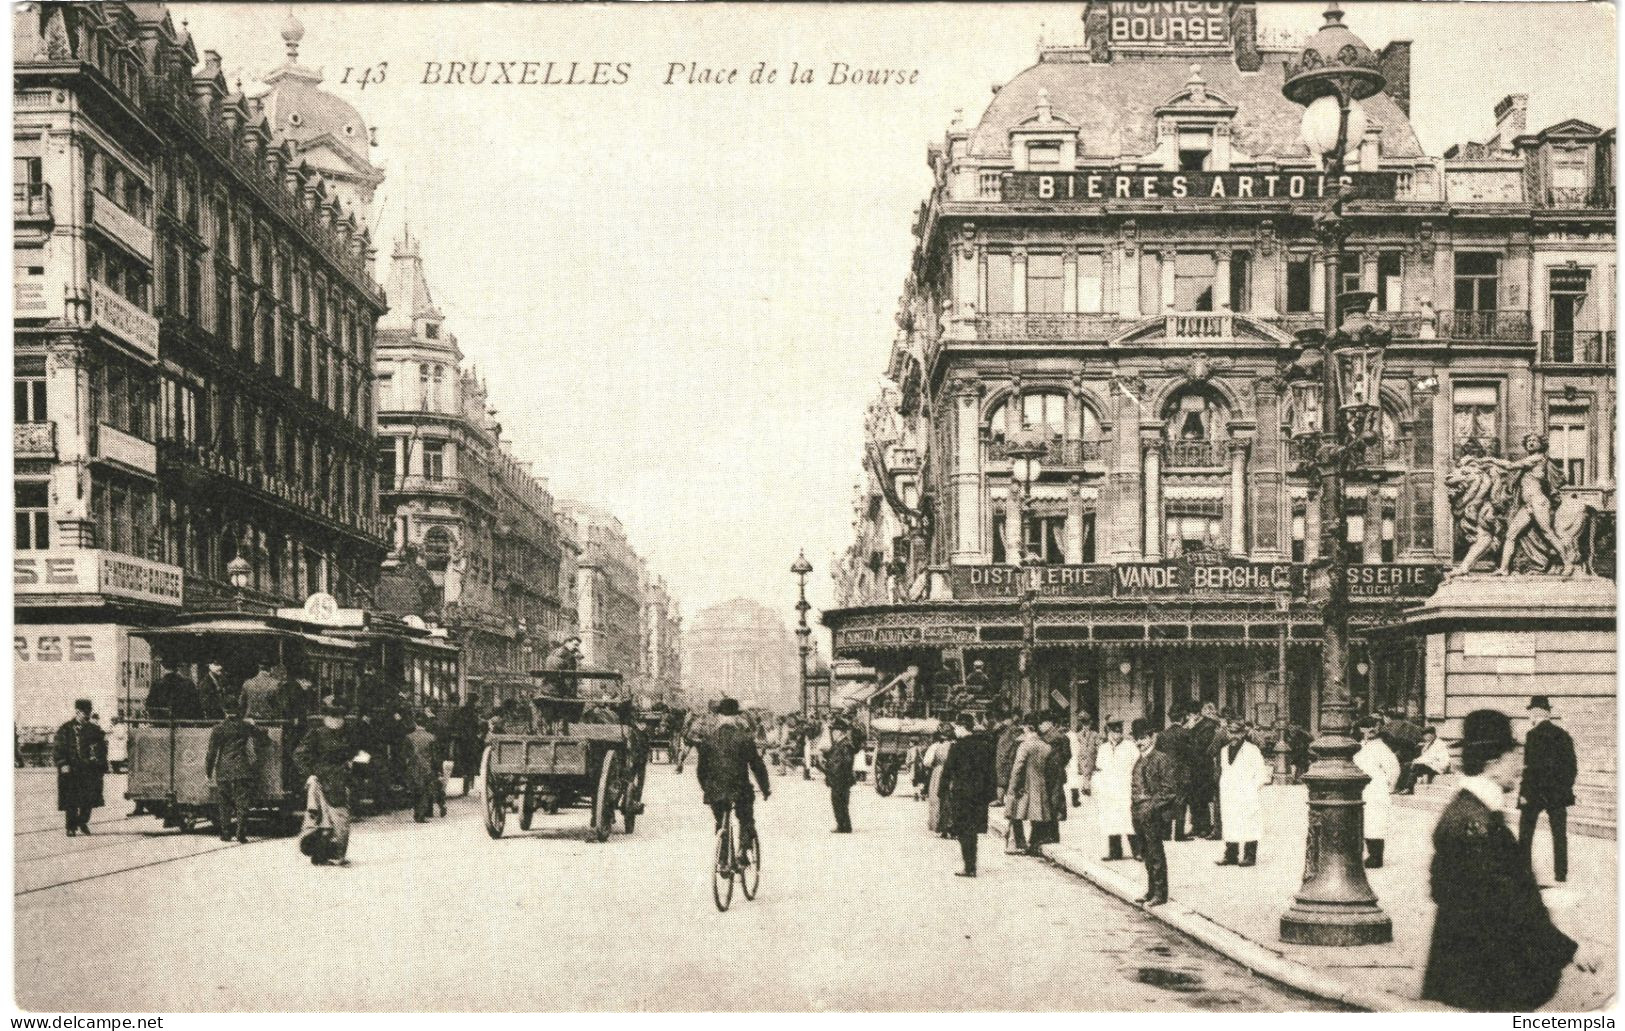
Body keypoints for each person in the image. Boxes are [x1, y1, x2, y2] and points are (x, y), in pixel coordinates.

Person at [1421, 709, 1578, 1011]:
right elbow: (1508, 902)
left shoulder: (1467, 810)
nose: (1521, 765)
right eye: (1513, 755)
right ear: (1493, 764)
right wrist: (1568, 950)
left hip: (1470, 973)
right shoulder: (1478, 822)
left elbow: (1444, 887)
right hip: (1489, 976)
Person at [696, 697, 771, 857]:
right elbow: (757, 766)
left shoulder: (708, 739)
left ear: (719, 717)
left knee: (720, 819)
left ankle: (723, 857)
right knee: (745, 816)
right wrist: (765, 789)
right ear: (736, 717)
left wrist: (707, 787)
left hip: (715, 790)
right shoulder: (744, 738)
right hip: (739, 788)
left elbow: (701, 770)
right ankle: (743, 848)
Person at [294, 702, 363, 866]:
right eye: (335, 717)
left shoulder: (324, 734)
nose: (337, 721)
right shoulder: (325, 734)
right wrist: (309, 774)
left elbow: (299, 754)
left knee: (326, 821)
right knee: (336, 820)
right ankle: (332, 854)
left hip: (333, 780)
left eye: (338, 717)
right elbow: (300, 755)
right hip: (327, 781)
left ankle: (325, 855)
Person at [1518, 695, 1577, 884]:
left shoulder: (1532, 735)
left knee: (1525, 833)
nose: (1529, 716)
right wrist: (1563, 788)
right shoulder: (1563, 734)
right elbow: (1572, 767)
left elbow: (1530, 768)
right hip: (1557, 793)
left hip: (1534, 793)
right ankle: (1561, 874)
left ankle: (1524, 870)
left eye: (1530, 713)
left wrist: (1524, 794)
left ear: (1537, 713)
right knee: (1559, 834)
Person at [938, 711, 997, 877]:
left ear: (962, 727)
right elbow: (991, 772)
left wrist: (941, 791)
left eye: (957, 726)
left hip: (962, 795)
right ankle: (972, 864)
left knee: (964, 831)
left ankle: (969, 866)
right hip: (979, 796)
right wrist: (990, 795)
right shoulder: (984, 746)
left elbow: (948, 771)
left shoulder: (957, 747)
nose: (955, 730)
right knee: (973, 831)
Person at [1130, 718, 1181, 907]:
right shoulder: (1140, 759)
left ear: (1152, 737)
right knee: (1145, 852)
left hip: (1153, 814)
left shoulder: (1161, 759)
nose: (1139, 742)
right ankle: (1151, 890)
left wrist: (1150, 807)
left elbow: (1169, 791)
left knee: (1155, 853)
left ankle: (1160, 892)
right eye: (1136, 738)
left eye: (1142, 738)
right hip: (1138, 812)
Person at [1215, 717, 1270, 867]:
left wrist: (1251, 789)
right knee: (1230, 822)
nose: (1234, 736)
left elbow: (1261, 774)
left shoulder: (1252, 750)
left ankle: (1250, 856)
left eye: (1237, 733)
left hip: (1247, 792)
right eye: (1231, 733)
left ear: (1243, 734)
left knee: (1250, 822)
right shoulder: (1224, 751)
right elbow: (1224, 771)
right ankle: (1231, 854)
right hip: (1229, 793)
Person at [206, 698, 260, 843]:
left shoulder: (218, 728)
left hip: (223, 770)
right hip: (242, 769)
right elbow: (261, 735)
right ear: (238, 710)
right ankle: (241, 833)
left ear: (224, 710)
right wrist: (255, 725)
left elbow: (211, 753)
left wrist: (208, 772)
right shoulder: (245, 726)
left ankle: (225, 833)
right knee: (242, 802)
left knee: (224, 804)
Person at [53, 699, 107, 836]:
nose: (87, 715)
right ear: (77, 712)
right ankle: (71, 827)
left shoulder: (94, 730)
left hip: (89, 770)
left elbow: (102, 749)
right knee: (71, 800)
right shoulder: (65, 729)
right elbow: (58, 748)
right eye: (84, 713)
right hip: (71, 770)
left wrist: (101, 764)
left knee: (88, 800)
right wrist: (63, 763)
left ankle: (82, 821)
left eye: (89, 712)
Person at [1354, 715, 1401, 868]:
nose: (1368, 732)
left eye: (1371, 728)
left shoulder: (1381, 748)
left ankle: (1376, 857)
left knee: (1375, 824)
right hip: (1362, 789)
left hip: (1376, 789)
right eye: (1365, 729)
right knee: (1364, 823)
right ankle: (1367, 854)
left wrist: (1389, 786)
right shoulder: (1360, 746)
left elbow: (1394, 769)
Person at [1005, 716, 1052, 856]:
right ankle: (1034, 843)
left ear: (1027, 728)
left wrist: (1012, 788)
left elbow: (1017, 769)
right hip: (1041, 785)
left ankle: (1019, 843)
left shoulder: (1024, 746)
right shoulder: (1047, 746)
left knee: (1015, 814)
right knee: (1038, 814)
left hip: (1024, 786)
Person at [1094, 720, 1139, 862]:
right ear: (1108, 732)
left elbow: (1137, 767)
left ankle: (1138, 851)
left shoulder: (1130, 747)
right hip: (1109, 790)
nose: (1116, 735)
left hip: (1125, 788)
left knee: (1129, 821)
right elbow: (1099, 768)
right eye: (1113, 732)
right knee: (1111, 821)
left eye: (1119, 731)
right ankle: (1115, 852)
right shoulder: (1103, 748)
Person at [1186, 702, 1221, 839]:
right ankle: (1196, 826)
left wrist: (1190, 730)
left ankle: (1204, 827)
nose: (1188, 717)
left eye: (1190, 714)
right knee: (1193, 797)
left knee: (1202, 798)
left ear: (1197, 714)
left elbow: (1201, 746)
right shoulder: (1194, 725)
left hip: (1204, 768)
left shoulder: (1208, 725)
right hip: (1193, 767)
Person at [1036, 713, 1071, 845]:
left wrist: (1055, 764)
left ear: (1048, 723)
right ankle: (1053, 834)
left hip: (1050, 773)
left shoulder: (1047, 738)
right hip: (1057, 773)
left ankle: (1051, 835)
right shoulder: (1063, 737)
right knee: (1053, 802)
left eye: (1041, 723)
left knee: (1050, 803)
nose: (1040, 726)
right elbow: (1068, 755)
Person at [403, 714, 445, 822]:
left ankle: (417, 813)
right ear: (426, 724)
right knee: (425, 791)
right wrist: (439, 770)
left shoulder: (409, 737)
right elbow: (436, 756)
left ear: (415, 723)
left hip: (413, 767)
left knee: (416, 790)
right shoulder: (432, 737)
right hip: (427, 767)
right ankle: (421, 815)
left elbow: (405, 754)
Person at [825, 719, 856, 833]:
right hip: (837, 777)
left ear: (840, 731)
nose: (833, 733)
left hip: (841, 778)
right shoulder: (840, 743)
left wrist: (837, 772)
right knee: (838, 801)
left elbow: (847, 762)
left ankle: (844, 826)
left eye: (835, 730)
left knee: (840, 801)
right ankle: (843, 825)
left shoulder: (845, 745)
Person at [1384, 708, 1425, 793]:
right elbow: (1420, 737)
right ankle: (1400, 787)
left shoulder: (1390, 726)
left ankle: (1393, 787)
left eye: (1384, 718)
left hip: (1398, 753)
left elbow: (1389, 742)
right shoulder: (1412, 725)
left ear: (1387, 717)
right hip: (1412, 752)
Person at [922, 725, 952, 836]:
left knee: (937, 798)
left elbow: (927, 762)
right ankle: (950, 825)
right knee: (950, 798)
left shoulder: (935, 747)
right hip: (952, 773)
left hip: (938, 772)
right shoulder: (955, 746)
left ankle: (939, 826)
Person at [1068, 712, 1100, 808]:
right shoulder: (1078, 735)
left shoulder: (1095, 734)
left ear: (1090, 724)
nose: (1086, 727)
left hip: (1091, 756)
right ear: (1082, 725)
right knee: (1084, 772)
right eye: (1084, 724)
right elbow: (1076, 746)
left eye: (1087, 724)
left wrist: (1097, 753)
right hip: (1081, 757)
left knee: (1088, 772)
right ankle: (1085, 787)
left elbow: (1097, 745)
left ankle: (1086, 787)